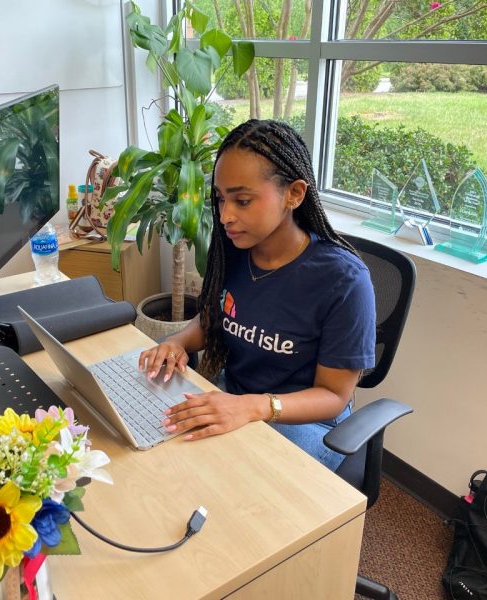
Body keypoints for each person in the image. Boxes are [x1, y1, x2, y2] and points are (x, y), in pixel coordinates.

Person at [139, 119, 376, 471]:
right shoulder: (235, 249)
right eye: (220, 199)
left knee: (228, 482)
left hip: (303, 423)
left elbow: (333, 396)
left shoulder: (343, 280)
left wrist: (254, 406)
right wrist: (178, 343)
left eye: (243, 200)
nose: (225, 216)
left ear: (294, 194)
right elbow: (214, 320)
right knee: (163, 448)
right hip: (235, 397)